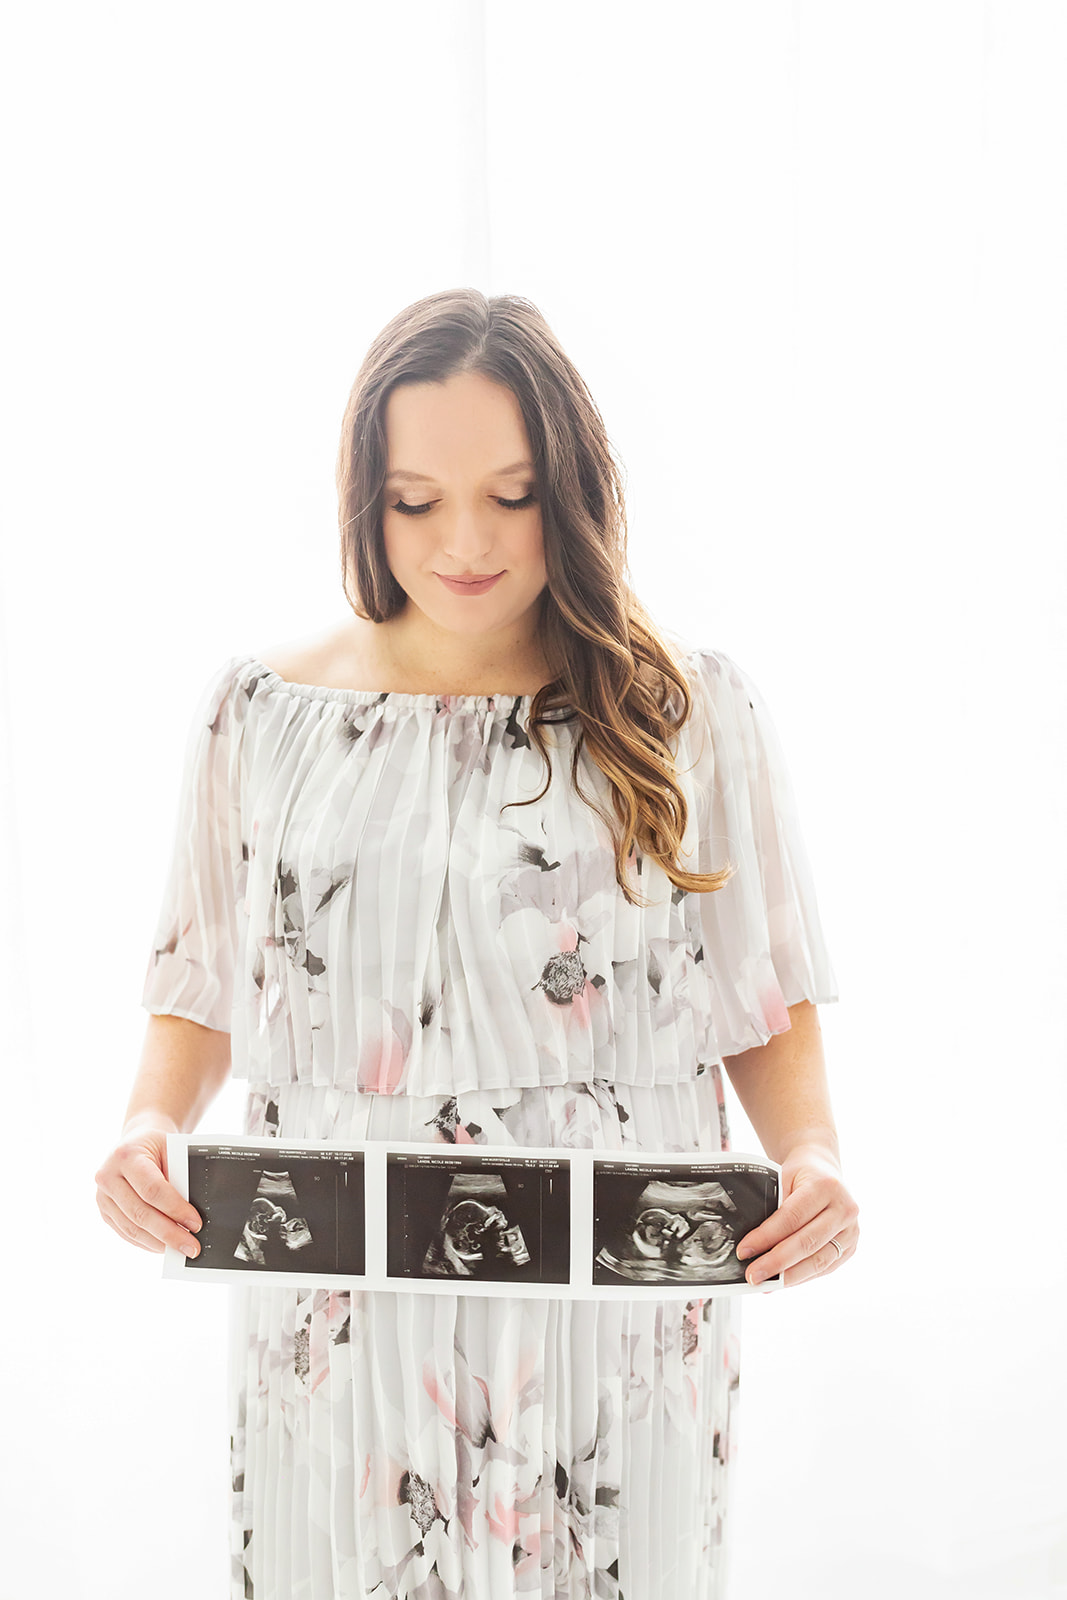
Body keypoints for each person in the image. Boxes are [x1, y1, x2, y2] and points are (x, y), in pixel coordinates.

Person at [94, 288, 859, 1600]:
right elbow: (204, 975)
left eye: (510, 496)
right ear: (365, 501)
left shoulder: (688, 712)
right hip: (333, 1300)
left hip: (613, 1307)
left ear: (572, 491)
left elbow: (759, 992)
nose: (465, 542)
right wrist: (147, 1128)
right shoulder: (260, 715)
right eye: (416, 500)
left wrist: (814, 1157)